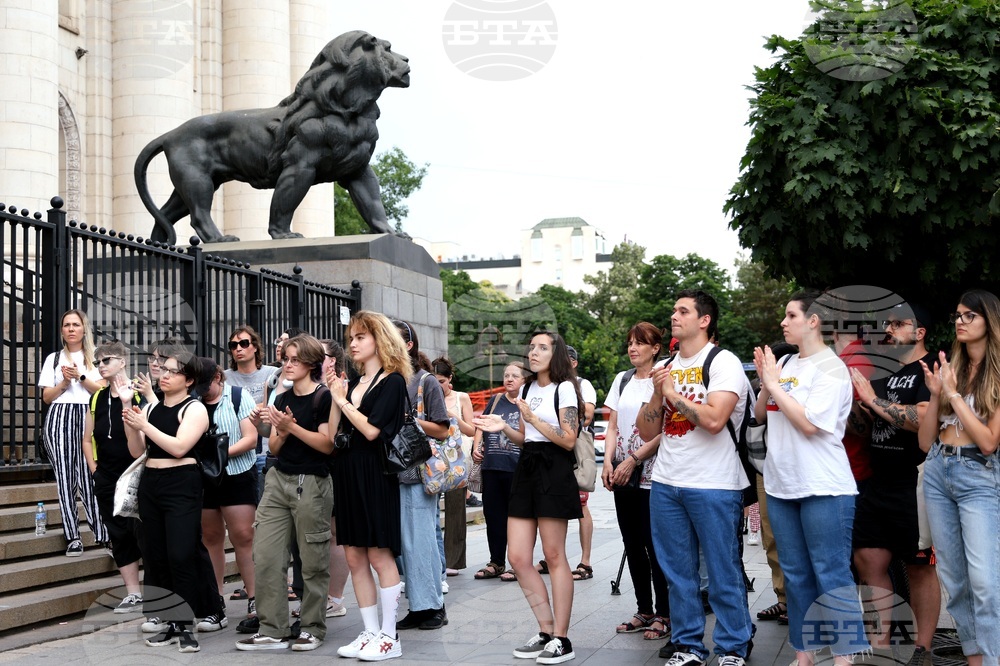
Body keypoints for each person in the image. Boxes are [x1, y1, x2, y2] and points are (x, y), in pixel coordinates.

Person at [636, 290, 753, 666]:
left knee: (722, 571)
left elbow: (715, 420)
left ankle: (733, 646)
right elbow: (645, 429)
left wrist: (672, 392)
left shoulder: (723, 361)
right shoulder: (665, 365)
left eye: (683, 311)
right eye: (674, 309)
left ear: (704, 320)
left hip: (714, 483)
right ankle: (688, 646)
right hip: (666, 482)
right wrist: (659, 394)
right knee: (677, 573)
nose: (674, 316)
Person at [753, 290, 868, 666]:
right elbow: (761, 415)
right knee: (795, 573)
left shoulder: (831, 368)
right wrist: (766, 381)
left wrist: (774, 384)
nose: (783, 322)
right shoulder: (786, 363)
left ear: (814, 320)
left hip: (824, 485)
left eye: (791, 315)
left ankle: (845, 656)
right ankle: (804, 654)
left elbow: (808, 424)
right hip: (781, 484)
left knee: (830, 572)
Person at [478, 330, 583, 664]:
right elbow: (526, 438)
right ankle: (545, 630)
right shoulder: (526, 388)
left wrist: (534, 417)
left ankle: (562, 638)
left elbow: (568, 439)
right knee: (518, 557)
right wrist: (503, 427)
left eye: (542, 347)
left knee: (554, 555)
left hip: (554, 468)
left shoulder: (564, 388)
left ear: (556, 353)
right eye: (532, 347)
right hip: (527, 466)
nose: (533, 352)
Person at [850, 302, 941, 658]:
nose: (889, 330)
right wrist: (854, 407)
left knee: (919, 567)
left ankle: (921, 650)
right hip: (877, 482)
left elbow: (922, 418)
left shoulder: (930, 368)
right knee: (868, 561)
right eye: (887, 324)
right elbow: (867, 426)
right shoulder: (883, 372)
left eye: (898, 324)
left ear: (919, 332)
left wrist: (873, 400)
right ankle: (881, 650)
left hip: (915, 483)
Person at [236, 335, 334, 652]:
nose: (287, 365)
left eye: (294, 359)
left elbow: (327, 444)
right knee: (265, 554)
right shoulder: (281, 398)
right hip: (278, 478)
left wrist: (291, 427)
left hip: (312, 481)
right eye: (286, 359)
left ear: (311, 363)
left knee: (312, 559)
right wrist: (270, 426)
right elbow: (275, 447)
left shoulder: (324, 397)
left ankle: (312, 627)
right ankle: (272, 628)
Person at [918, 290, 1000, 663]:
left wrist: (952, 395)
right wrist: (938, 394)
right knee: (954, 578)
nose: (960, 322)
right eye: (957, 316)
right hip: (939, 469)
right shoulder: (951, 369)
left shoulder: (995, 374)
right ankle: (974, 659)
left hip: (978, 476)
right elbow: (925, 443)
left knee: (985, 582)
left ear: (989, 321)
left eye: (970, 316)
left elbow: (988, 442)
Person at [123, 351, 218, 654]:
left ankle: (186, 626)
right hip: (151, 483)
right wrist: (131, 419)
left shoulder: (194, 408)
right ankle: (170, 621)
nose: (164, 375)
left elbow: (179, 447)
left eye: (173, 372)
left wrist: (145, 426)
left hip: (182, 483)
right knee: (157, 555)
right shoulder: (151, 408)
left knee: (181, 554)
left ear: (189, 380)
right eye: (163, 369)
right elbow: (137, 450)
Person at [327, 312, 410, 661]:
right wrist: (336, 395)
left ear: (380, 339)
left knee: (378, 553)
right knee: (353, 554)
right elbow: (334, 433)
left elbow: (373, 431)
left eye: (361, 336)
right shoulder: (353, 383)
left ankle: (390, 636)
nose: (353, 344)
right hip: (347, 470)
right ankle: (370, 632)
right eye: (351, 338)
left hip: (375, 472)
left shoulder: (393, 381)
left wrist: (343, 400)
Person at [602, 322, 670, 641]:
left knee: (655, 547)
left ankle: (665, 614)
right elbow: (613, 426)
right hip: (623, 475)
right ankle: (644, 610)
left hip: (654, 475)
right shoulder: (623, 379)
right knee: (632, 543)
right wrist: (609, 461)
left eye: (640, 343)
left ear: (655, 348)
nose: (632, 348)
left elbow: (666, 430)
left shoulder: (664, 377)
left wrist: (634, 459)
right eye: (630, 342)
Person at [392, 321, 451, 632]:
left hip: (418, 472)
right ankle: (418, 605)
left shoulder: (425, 381)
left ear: (409, 345)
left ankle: (434, 606)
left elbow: (442, 428)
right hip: (391, 472)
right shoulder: (387, 379)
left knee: (422, 540)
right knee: (406, 545)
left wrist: (407, 419)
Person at [38, 308, 107, 557]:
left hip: (88, 416)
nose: (71, 329)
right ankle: (73, 536)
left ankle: (103, 534)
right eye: (66, 325)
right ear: (62, 330)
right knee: (65, 478)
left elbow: (102, 391)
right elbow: (47, 397)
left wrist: (81, 375)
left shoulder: (96, 358)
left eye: (75, 324)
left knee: (90, 476)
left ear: (84, 329)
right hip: (60, 417)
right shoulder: (54, 359)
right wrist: (65, 382)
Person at [81, 341, 144, 612]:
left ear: (123, 362)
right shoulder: (97, 397)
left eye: (106, 360)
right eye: (97, 362)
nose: (101, 366)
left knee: (143, 531)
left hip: (135, 473)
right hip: (106, 475)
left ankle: (161, 587)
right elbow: (87, 438)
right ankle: (134, 593)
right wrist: (95, 470)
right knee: (118, 533)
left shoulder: (138, 393)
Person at [196, 357, 257, 633]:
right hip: (205, 478)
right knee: (210, 537)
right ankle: (215, 600)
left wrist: (218, 455)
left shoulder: (237, 397)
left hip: (236, 473)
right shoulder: (194, 402)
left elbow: (250, 438)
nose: (202, 391)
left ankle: (254, 597)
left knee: (243, 536)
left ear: (218, 378)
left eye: (205, 385)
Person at [471, 362, 527, 581]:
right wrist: (476, 447)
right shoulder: (495, 400)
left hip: (517, 470)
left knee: (518, 519)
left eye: (515, 376)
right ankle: (496, 562)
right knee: (493, 517)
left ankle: (518, 564)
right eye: (506, 375)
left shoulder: (527, 403)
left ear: (524, 380)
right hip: (491, 467)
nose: (509, 379)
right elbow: (481, 424)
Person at [222, 325, 280, 503]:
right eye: (233, 345)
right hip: (236, 454)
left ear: (255, 346)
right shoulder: (224, 378)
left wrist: (245, 408)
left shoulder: (272, 374)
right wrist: (256, 407)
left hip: (265, 452)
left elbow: (277, 404)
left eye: (244, 343)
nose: (238, 349)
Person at [432, 356, 474, 577]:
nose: (438, 386)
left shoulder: (461, 397)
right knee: (430, 509)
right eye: (434, 381)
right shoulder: (426, 397)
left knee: (456, 508)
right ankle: (434, 557)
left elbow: (472, 430)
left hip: (457, 459)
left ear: (450, 379)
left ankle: (454, 561)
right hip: (432, 459)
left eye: (441, 381)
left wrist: (452, 416)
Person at [566, 345, 597, 582]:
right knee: (551, 508)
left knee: (581, 505)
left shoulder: (582, 385)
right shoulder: (550, 385)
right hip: (553, 451)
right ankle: (552, 557)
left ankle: (585, 561)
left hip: (574, 451)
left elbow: (587, 416)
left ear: (574, 362)